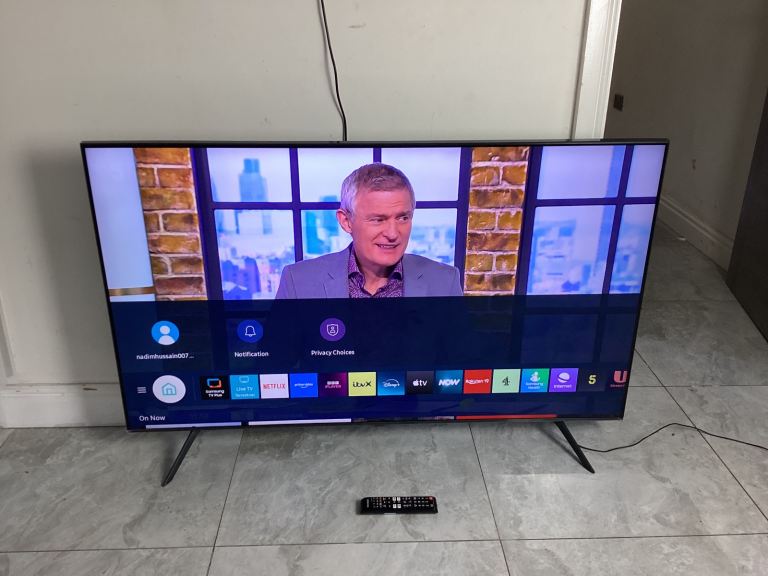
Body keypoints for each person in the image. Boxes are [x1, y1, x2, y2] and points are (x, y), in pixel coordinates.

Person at [276, 163, 463, 299]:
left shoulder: (445, 282)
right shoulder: (298, 282)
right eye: (378, 220)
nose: (392, 234)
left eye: (403, 218)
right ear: (346, 221)